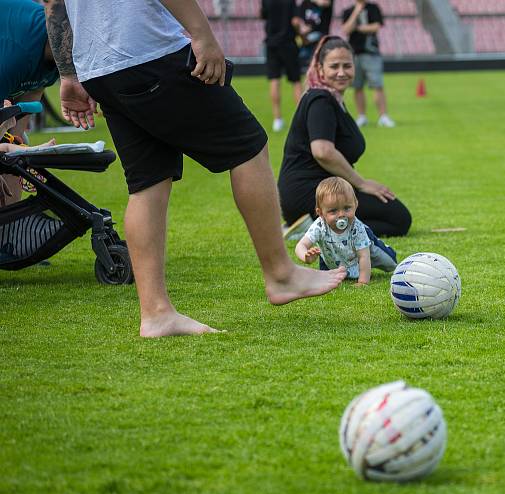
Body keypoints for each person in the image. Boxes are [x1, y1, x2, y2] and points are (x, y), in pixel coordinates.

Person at [43, 0, 346, 338]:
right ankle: (280, 275)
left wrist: (69, 73)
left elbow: (54, 3)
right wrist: (202, 34)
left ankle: (156, 313)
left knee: (148, 181)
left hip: (99, 68)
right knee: (249, 146)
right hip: (148, 50)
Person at [278, 35, 411, 240]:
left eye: (347, 66)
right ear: (321, 69)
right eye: (334, 66)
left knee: (396, 216)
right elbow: (322, 151)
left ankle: (318, 227)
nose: (341, 72)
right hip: (308, 194)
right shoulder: (320, 99)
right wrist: (361, 183)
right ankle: (313, 230)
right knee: (398, 219)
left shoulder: (333, 99)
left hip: (325, 189)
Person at [0, 0, 60, 206]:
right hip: (12, 55)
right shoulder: (15, 56)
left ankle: (8, 232)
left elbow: (15, 130)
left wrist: (19, 149)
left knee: (16, 147)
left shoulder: (55, 59)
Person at [295, 176, 397, 285]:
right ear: (320, 213)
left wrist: (362, 282)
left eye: (347, 208)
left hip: (364, 247)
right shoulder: (319, 226)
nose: (341, 215)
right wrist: (306, 256)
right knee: (334, 275)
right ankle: (352, 267)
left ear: (355, 205)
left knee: (390, 263)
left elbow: (363, 256)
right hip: (334, 256)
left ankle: (376, 254)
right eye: (333, 211)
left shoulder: (356, 227)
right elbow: (300, 246)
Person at [341, 0, 395, 128]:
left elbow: (376, 26)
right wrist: (356, 12)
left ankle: (383, 116)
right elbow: (346, 29)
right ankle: (362, 116)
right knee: (357, 86)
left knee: (377, 85)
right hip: (354, 54)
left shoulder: (373, 8)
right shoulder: (348, 11)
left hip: (372, 53)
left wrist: (358, 28)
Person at [261, 0, 305, 132]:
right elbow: (296, 21)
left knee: (274, 80)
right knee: (296, 81)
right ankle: (301, 118)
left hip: (271, 44)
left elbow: (263, 15)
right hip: (288, 43)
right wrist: (301, 35)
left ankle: (277, 119)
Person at [297, 0, 334, 72]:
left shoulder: (324, 2)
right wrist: (303, 27)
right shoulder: (305, 3)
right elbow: (299, 18)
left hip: (320, 36)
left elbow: (325, 3)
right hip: (305, 38)